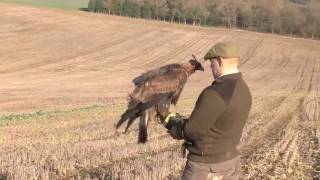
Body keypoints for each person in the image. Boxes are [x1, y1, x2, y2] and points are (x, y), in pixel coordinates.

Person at [163, 42, 252, 180]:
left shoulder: (215, 93)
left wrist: (173, 123)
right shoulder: (244, 89)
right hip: (230, 162)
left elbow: (192, 131)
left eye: (212, 63)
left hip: (207, 168)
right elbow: (217, 122)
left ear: (220, 61)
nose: (210, 67)